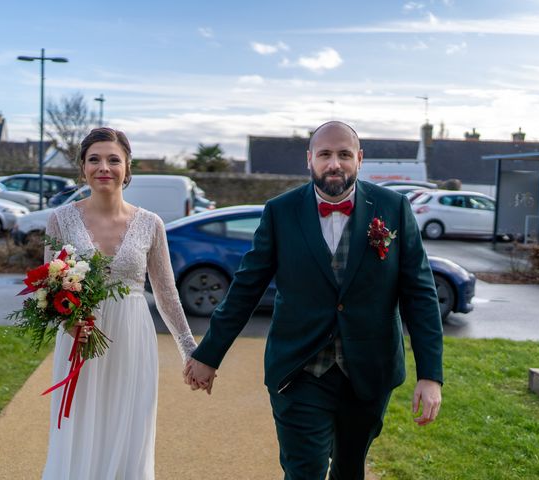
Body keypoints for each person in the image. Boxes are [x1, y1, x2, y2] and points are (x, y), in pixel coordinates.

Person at [184, 121, 443, 479]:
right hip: (299, 370)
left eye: (344, 154)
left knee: (350, 470)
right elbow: (246, 287)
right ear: (310, 159)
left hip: (369, 370)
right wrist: (209, 354)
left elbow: (420, 294)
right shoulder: (280, 211)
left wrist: (431, 375)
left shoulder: (394, 208)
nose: (334, 163)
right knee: (304, 471)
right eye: (325, 154)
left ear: (359, 159)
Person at [41, 127, 197, 480]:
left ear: (128, 168)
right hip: (80, 338)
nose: (104, 167)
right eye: (94, 159)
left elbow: (167, 292)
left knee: (129, 423)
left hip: (132, 337)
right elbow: (50, 289)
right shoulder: (60, 220)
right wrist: (70, 322)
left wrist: (189, 349)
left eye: (114, 159)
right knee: (80, 423)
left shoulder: (150, 224)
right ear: (82, 168)